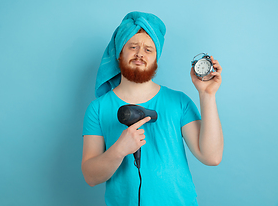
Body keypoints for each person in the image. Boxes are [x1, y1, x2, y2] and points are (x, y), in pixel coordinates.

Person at [81, 11, 223, 206]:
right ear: (119, 53)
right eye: (133, 46)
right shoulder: (97, 109)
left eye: (149, 49)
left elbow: (211, 156)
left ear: (156, 58)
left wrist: (207, 95)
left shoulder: (179, 102)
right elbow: (90, 176)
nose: (140, 53)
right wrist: (119, 150)